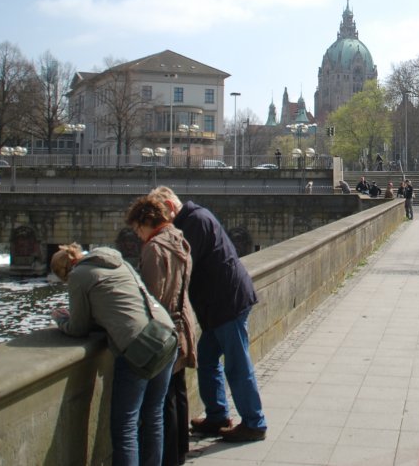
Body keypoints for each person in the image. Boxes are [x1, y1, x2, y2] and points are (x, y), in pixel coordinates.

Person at [50, 242, 177, 466]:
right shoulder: (117, 262)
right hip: (165, 333)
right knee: (153, 415)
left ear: (65, 272)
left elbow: (78, 328)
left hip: (139, 345)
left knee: (125, 425)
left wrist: (61, 319)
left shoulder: (79, 275)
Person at [172, 201, 267, 443]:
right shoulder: (193, 219)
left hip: (227, 304)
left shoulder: (194, 223)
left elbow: (183, 267)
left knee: (237, 364)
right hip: (218, 305)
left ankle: (254, 423)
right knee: (206, 358)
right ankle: (217, 415)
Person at [126, 194, 197, 466]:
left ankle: (168, 458)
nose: (138, 235)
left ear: (147, 221)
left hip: (164, 331)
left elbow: (153, 296)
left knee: (163, 401)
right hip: (182, 323)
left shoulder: (155, 248)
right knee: (176, 392)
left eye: (137, 229)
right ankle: (180, 451)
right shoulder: (179, 237)